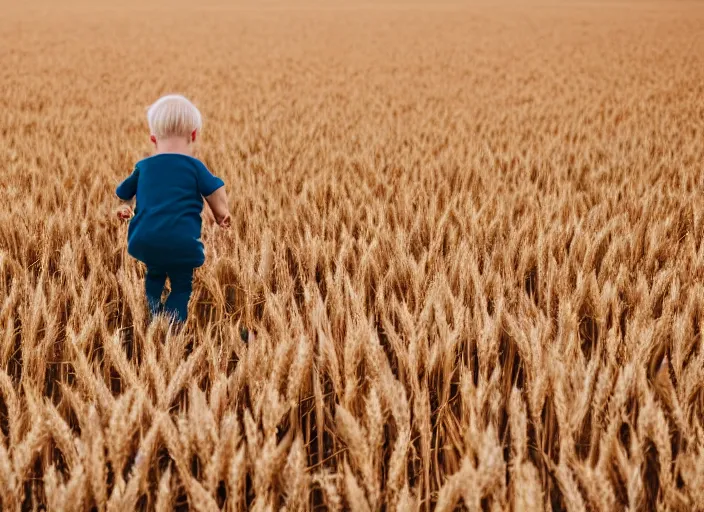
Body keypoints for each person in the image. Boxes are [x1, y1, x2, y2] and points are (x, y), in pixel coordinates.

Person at [115, 94, 230, 325]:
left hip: (146, 240)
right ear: (194, 135)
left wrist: (125, 208)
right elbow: (215, 190)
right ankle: (174, 328)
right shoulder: (195, 167)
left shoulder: (143, 167)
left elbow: (123, 192)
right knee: (181, 286)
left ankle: (152, 316)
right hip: (182, 243)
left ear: (153, 139)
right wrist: (221, 214)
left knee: (154, 277)